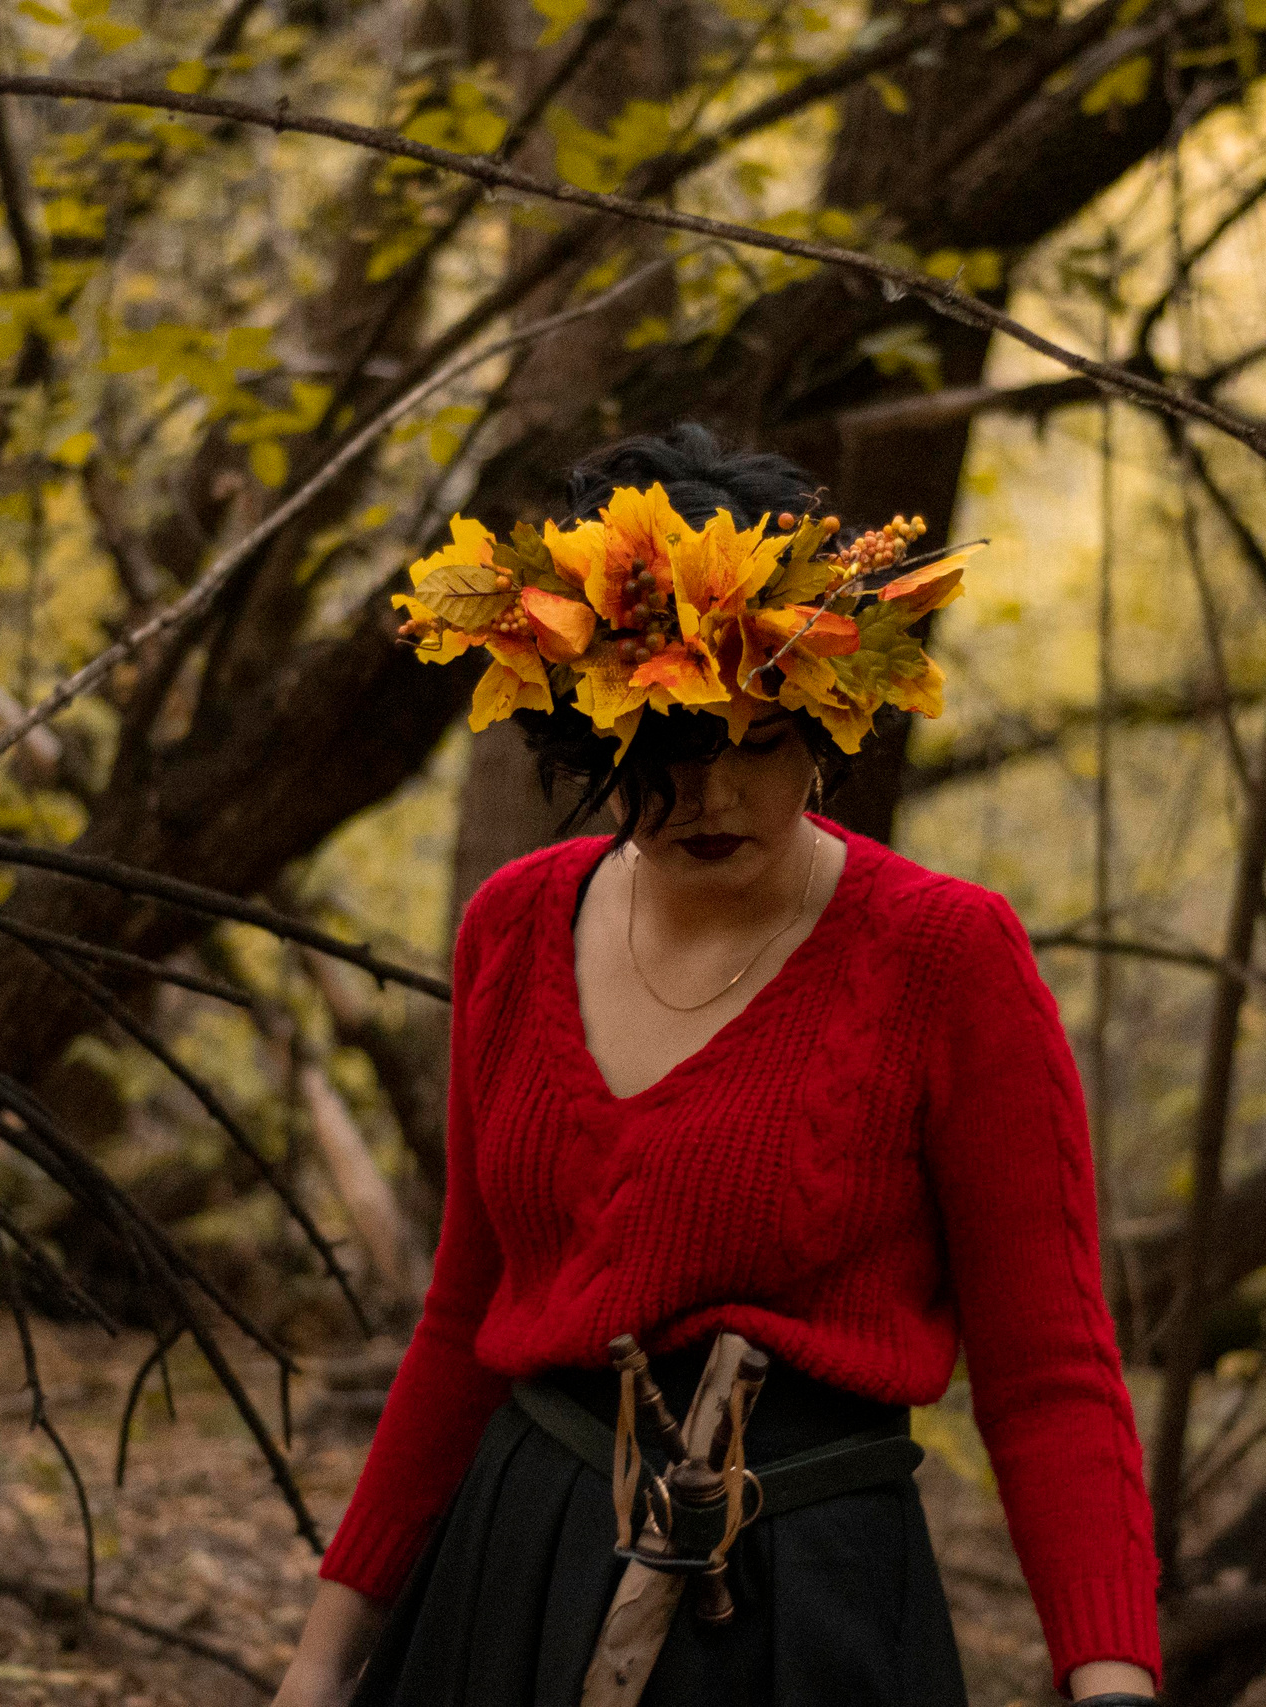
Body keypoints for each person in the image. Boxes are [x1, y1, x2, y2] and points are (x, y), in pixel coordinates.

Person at [270, 425, 1161, 1707]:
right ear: (589, 737)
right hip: (506, 1579)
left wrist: (1110, 1678)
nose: (710, 791)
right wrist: (321, 1659)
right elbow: (466, 1317)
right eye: (663, 749)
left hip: (807, 1613)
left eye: (756, 736)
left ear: (828, 721)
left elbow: (1050, 1374)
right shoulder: (514, 929)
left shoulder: (944, 959)